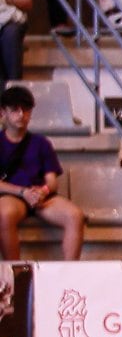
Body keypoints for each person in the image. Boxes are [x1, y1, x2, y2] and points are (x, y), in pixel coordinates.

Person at [0, 84, 84, 260]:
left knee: (75, 215)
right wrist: (23, 192)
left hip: (41, 196)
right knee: (4, 213)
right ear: (3, 113)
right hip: (13, 196)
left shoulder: (41, 143)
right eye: (15, 110)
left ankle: (71, 273)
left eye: (26, 110)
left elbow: (52, 180)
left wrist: (41, 192)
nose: (21, 115)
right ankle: (15, 273)